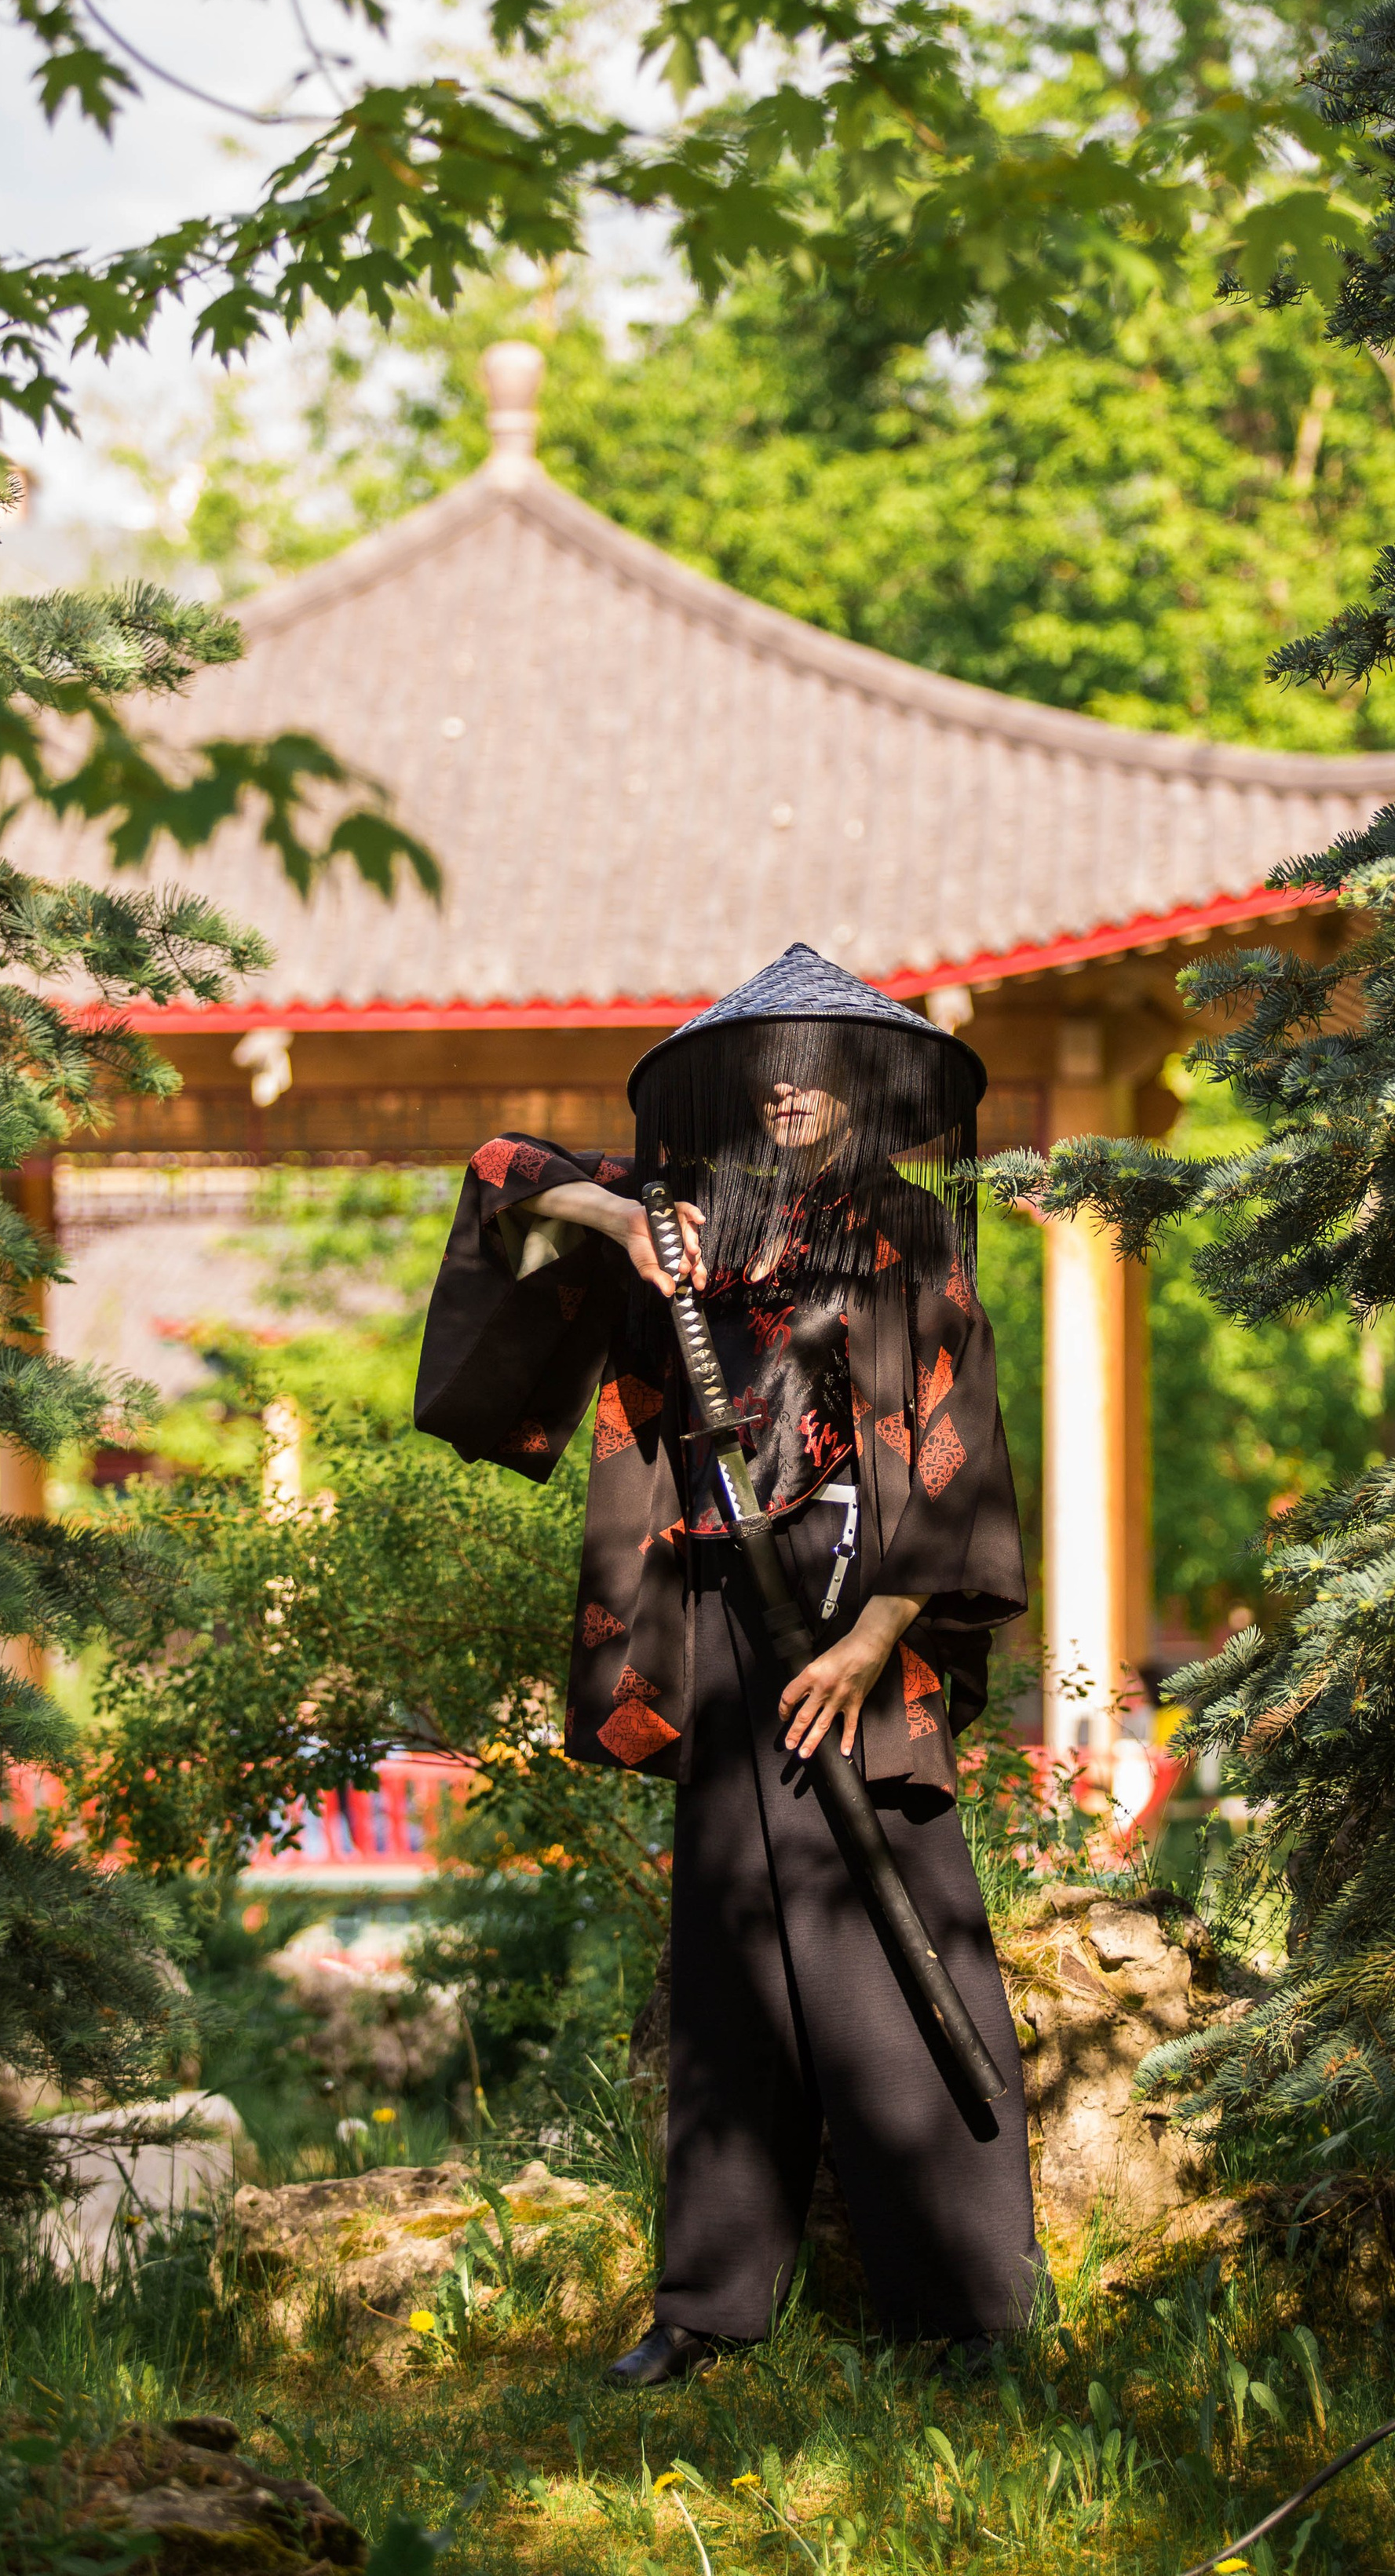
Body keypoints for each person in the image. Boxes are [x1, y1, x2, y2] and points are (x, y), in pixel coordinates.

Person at [413, 942, 1039, 2381]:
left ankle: (965, 2311)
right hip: (711, 1614)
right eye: (769, 1068)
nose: (790, 1089)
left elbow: (959, 1441)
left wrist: (874, 1640)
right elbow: (501, 1167)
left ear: (864, 1084)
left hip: (857, 1615)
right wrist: (620, 1224)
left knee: (896, 1935)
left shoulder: (906, 1235)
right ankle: (706, 2306)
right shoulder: (684, 1213)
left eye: (817, 1068)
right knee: (726, 1952)